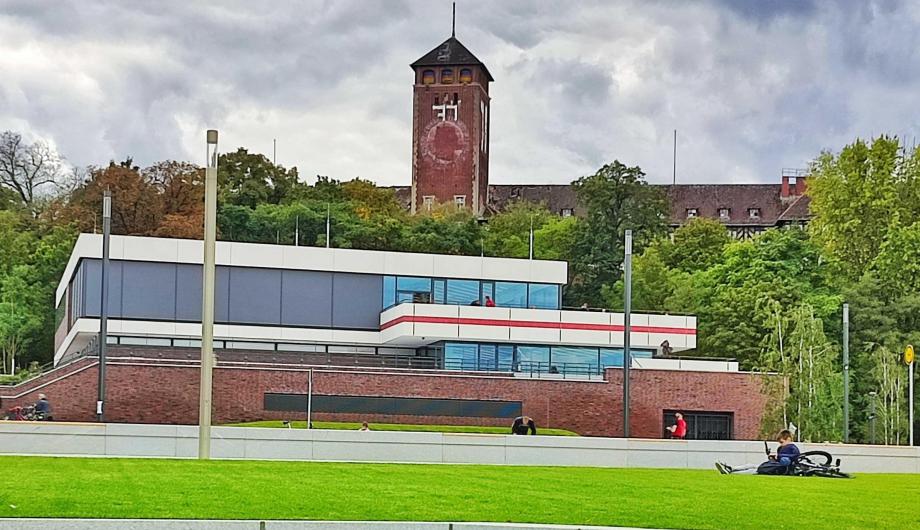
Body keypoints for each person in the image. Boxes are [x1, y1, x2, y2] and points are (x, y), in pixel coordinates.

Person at [715, 430, 800, 475]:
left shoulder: (793, 448)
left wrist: (778, 456)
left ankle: (732, 473)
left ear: (788, 439)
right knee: (751, 465)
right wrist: (774, 457)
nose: (781, 445)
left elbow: (794, 456)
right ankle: (732, 468)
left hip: (777, 468)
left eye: (782, 442)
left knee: (755, 470)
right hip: (773, 465)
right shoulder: (781, 448)